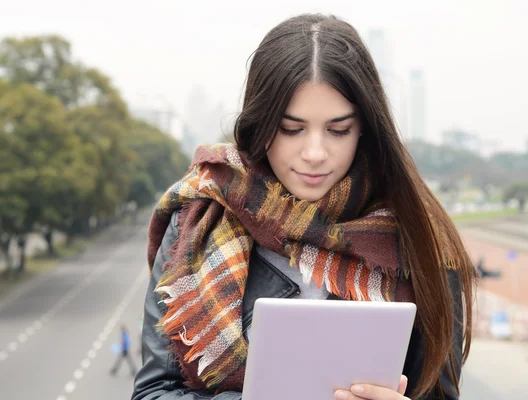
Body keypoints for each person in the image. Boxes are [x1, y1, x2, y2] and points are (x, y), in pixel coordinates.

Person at [132, 13, 475, 400]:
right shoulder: (198, 219)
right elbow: (153, 392)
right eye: (291, 129)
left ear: (364, 127)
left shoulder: (420, 240)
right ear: (260, 124)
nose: (314, 154)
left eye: (338, 130)